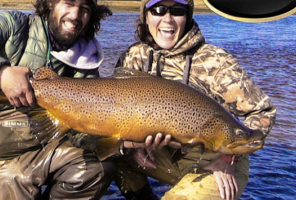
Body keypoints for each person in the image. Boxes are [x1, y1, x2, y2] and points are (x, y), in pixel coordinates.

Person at [0, 0, 116, 199]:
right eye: (69, 3)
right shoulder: (14, 25)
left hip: (45, 147)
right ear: (50, 3)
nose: (76, 15)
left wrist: (119, 140)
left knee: (98, 168)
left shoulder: (86, 58)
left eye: (85, 9)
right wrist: (1, 72)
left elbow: (79, 133)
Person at [113, 0, 277, 199]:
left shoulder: (215, 61)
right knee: (110, 156)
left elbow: (263, 112)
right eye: (158, 9)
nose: (168, 19)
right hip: (160, 156)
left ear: (187, 16)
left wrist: (228, 158)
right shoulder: (133, 56)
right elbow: (117, 113)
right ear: (146, 16)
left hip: (219, 163)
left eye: (178, 11)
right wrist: (132, 144)